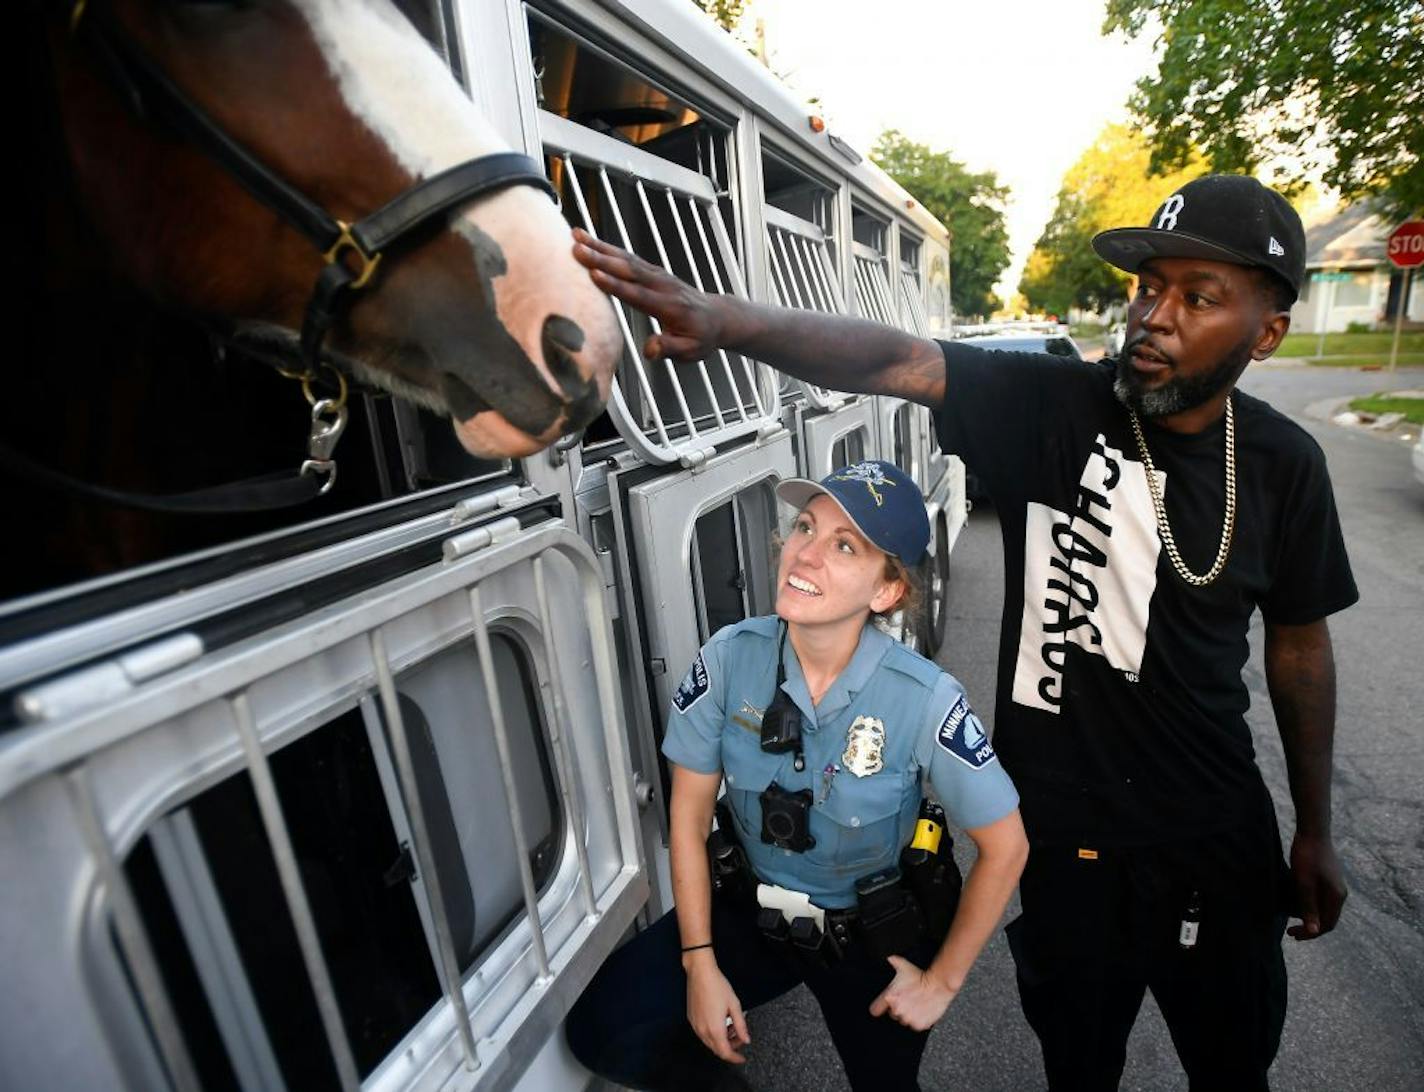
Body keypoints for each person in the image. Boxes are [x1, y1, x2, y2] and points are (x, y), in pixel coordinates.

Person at [570, 174, 1357, 1090]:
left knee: (1232, 1067)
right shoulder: (1059, 411)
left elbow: (1300, 643)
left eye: (1198, 296)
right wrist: (730, 322)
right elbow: (894, 359)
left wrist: (1316, 829)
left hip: (1214, 835)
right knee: (1079, 1066)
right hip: (1073, 847)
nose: (1155, 316)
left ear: (1267, 331)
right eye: (1149, 287)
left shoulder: (1283, 466)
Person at [566, 460, 1027, 1091]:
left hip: (869, 935)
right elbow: (690, 815)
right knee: (600, 1027)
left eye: (844, 546)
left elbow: (1007, 845)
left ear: (886, 591)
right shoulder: (729, 659)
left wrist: (942, 981)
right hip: (750, 910)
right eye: (805, 527)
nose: (804, 555)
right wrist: (700, 964)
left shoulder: (924, 699)